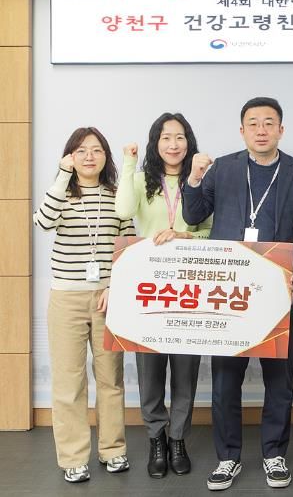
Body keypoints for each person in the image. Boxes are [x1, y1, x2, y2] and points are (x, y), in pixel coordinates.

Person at [182, 97, 293, 491]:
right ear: (242, 131)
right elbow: (193, 215)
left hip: (279, 290)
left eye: (269, 123)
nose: (261, 130)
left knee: (279, 380)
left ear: (281, 130)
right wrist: (194, 179)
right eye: (253, 123)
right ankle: (228, 458)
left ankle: (274, 455)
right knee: (224, 380)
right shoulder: (223, 169)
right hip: (229, 291)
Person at [34, 127, 134, 483]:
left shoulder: (117, 195)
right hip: (67, 298)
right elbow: (43, 222)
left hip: (108, 298)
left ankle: (113, 450)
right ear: (70, 157)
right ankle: (74, 457)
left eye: (96, 150)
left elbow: (128, 244)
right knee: (69, 381)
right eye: (81, 150)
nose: (89, 156)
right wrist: (62, 175)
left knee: (111, 379)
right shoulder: (61, 192)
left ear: (106, 156)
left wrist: (116, 286)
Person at [115, 112, 211, 478]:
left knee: (185, 371)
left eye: (180, 137)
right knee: (150, 370)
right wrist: (128, 162)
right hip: (150, 287)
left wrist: (185, 236)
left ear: (189, 142)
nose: (173, 144)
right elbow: (124, 210)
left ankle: (177, 438)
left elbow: (212, 231)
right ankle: (156, 437)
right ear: (156, 143)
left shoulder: (201, 179)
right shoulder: (142, 180)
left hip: (190, 287)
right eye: (166, 137)